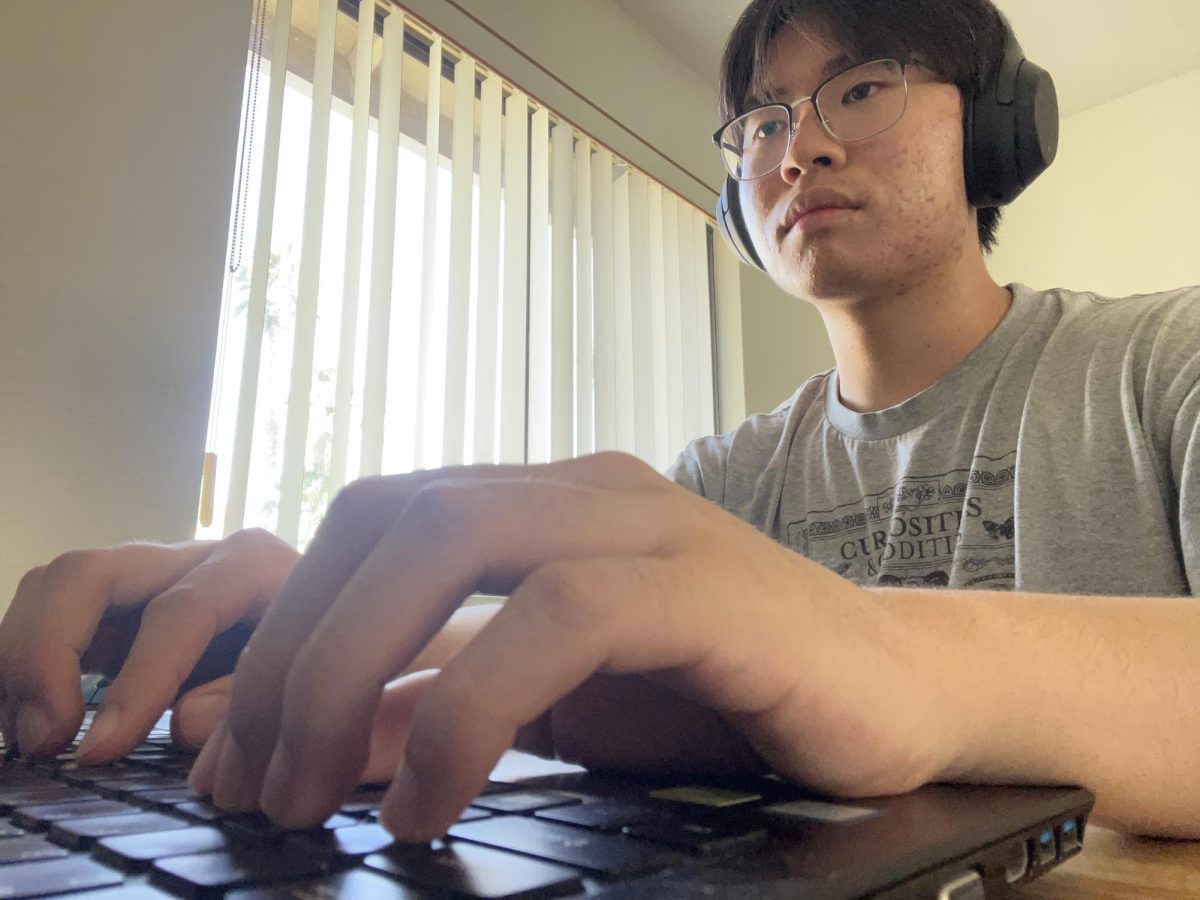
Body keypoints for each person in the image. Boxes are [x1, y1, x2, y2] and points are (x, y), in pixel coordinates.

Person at [2, 0, 1199, 844]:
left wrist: (882, 652)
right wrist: (308, 616)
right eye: (765, 123)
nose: (803, 147)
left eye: (863, 88)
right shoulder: (716, 483)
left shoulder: (1164, 363)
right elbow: (539, 649)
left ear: (1000, 128)